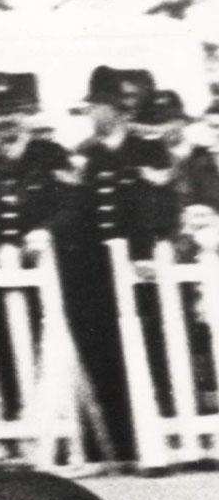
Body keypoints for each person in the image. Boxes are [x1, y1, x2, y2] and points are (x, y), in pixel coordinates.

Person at [57, 65, 176, 461]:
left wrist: (144, 252)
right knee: (106, 353)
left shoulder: (147, 149)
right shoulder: (86, 154)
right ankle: (121, 442)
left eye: (96, 106)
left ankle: (159, 435)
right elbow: (77, 212)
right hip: (98, 272)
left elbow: (159, 204)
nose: (92, 113)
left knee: (152, 348)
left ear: (114, 108)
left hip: (140, 268)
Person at [0, 72, 74, 256]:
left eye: (12, 112)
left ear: (26, 116)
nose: (5, 121)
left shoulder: (51, 154)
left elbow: (72, 207)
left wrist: (47, 231)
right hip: (3, 263)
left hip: (51, 258)